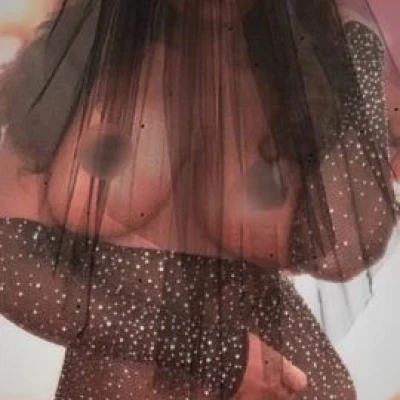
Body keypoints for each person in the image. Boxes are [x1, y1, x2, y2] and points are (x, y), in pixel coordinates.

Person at [0, 0, 399, 398]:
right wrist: (214, 353)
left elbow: (348, 247)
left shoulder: (306, 65)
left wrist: (358, 57)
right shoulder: (93, 46)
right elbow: (8, 260)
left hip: (290, 380)